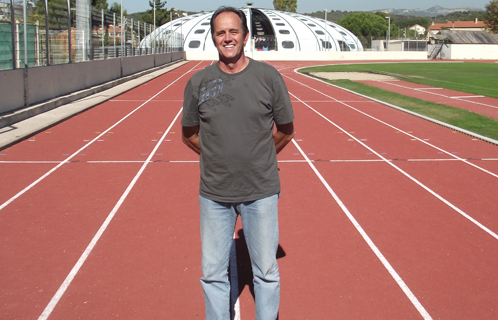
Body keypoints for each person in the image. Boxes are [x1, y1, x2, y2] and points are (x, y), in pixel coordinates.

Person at [181, 6, 295, 320]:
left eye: (233, 31)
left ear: (245, 36)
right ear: (213, 38)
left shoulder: (268, 77)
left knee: (266, 273)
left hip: (261, 191)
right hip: (215, 194)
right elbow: (189, 134)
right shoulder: (198, 82)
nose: (228, 38)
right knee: (213, 274)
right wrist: (218, 155)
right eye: (221, 32)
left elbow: (286, 130)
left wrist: (260, 156)